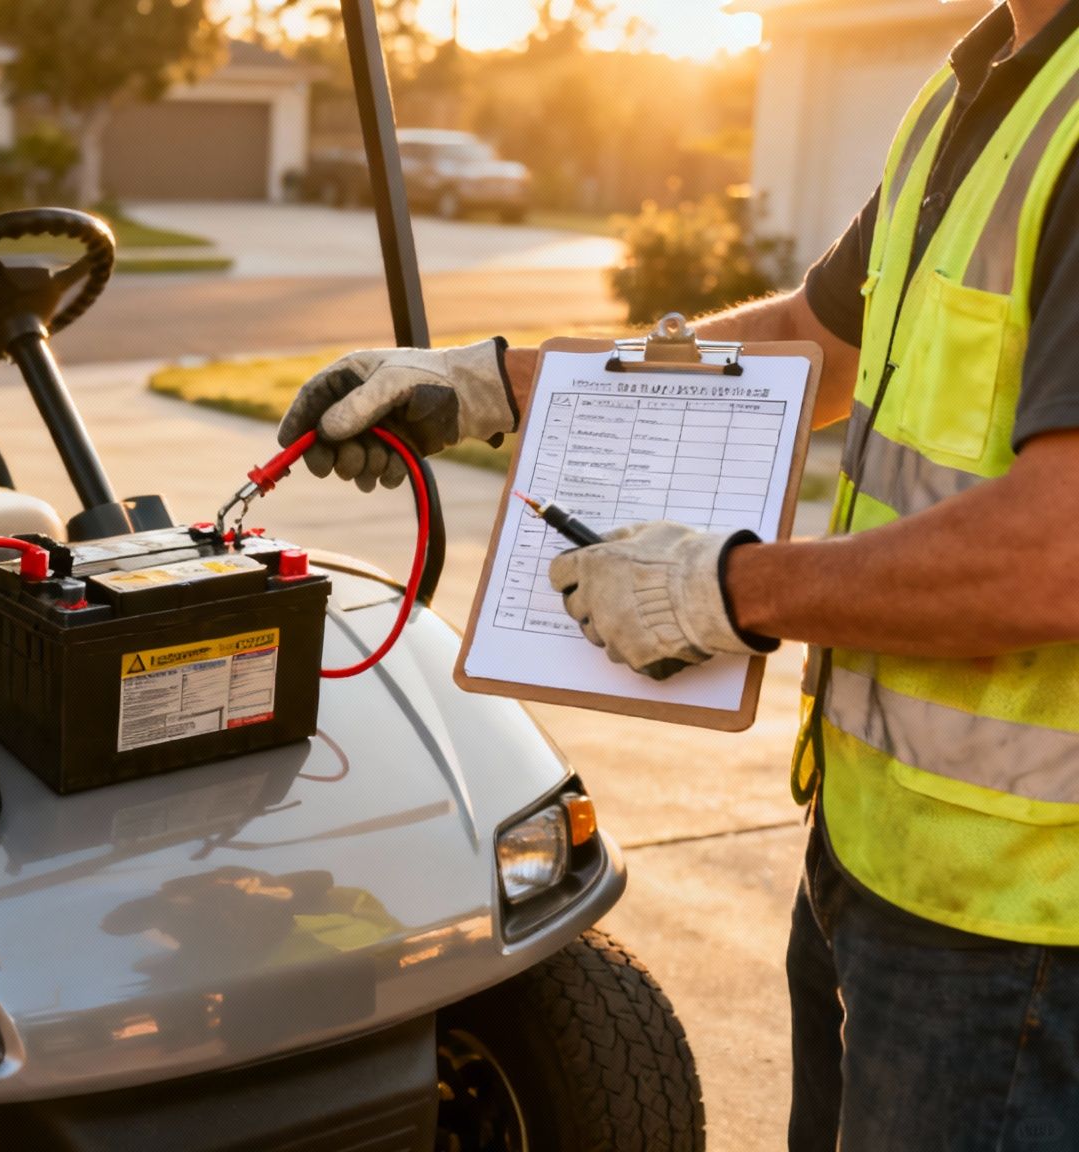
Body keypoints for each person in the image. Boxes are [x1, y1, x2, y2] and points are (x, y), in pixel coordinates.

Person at [278, 2, 1079, 1147]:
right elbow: (815, 341)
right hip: (876, 853)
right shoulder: (978, 81)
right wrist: (499, 381)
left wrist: (728, 590)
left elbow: (1057, 551)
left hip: (1023, 922)